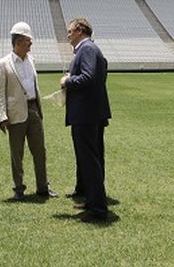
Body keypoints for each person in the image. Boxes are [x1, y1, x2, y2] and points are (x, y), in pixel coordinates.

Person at [0, 22, 57, 200]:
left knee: (40, 151)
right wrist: (2, 116)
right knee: (17, 153)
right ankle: (18, 188)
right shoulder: (3, 64)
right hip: (15, 113)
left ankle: (43, 187)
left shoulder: (31, 60)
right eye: (28, 40)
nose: (31, 44)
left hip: (34, 109)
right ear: (19, 41)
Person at [59, 17, 111, 221]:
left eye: (70, 31)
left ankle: (97, 209)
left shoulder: (87, 49)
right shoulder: (89, 49)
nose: (68, 34)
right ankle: (92, 201)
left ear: (80, 30)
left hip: (86, 115)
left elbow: (88, 77)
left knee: (90, 161)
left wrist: (68, 80)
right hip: (90, 114)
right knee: (90, 160)